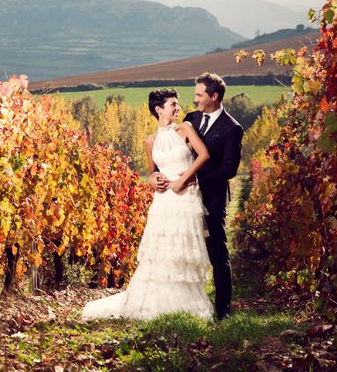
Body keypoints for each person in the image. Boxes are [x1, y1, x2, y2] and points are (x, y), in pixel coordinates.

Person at [82, 88, 213, 320]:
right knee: (162, 250)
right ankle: (162, 302)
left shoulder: (185, 129)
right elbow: (152, 173)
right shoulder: (150, 141)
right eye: (173, 104)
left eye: (177, 104)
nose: (177, 108)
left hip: (186, 197)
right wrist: (153, 181)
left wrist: (183, 179)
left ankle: (185, 303)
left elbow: (203, 155)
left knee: (182, 249)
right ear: (159, 109)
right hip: (163, 202)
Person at [150, 73, 243, 320]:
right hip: (181, 198)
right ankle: (178, 300)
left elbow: (229, 169)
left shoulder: (232, 128)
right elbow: (168, 153)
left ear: (214, 96)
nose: (196, 100)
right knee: (179, 248)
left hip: (211, 197)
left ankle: (222, 310)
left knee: (217, 252)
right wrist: (154, 177)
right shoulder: (191, 119)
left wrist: (195, 179)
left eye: (200, 95)